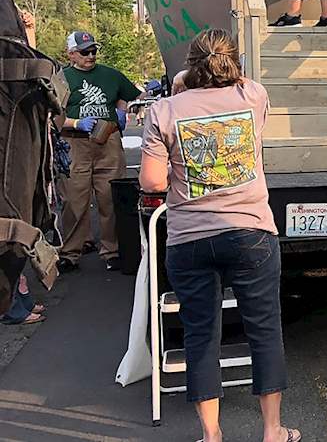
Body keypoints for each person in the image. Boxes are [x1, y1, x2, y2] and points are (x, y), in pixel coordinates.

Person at [140, 29, 298, 442]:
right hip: (250, 232)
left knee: (200, 334)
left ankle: (212, 435)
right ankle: (272, 430)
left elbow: (153, 182)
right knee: (263, 329)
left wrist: (179, 86)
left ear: (189, 66)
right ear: (233, 62)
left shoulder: (163, 111)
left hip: (189, 236)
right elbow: (239, 81)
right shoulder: (253, 97)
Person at [58, 31, 141, 273]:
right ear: (71, 54)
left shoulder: (110, 74)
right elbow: (53, 116)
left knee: (109, 198)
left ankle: (112, 250)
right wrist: (75, 123)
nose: (91, 55)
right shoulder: (62, 79)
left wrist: (122, 111)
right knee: (75, 199)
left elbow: (128, 94)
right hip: (75, 142)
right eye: (85, 51)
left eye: (94, 50)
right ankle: (71, 251)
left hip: (108, 139)